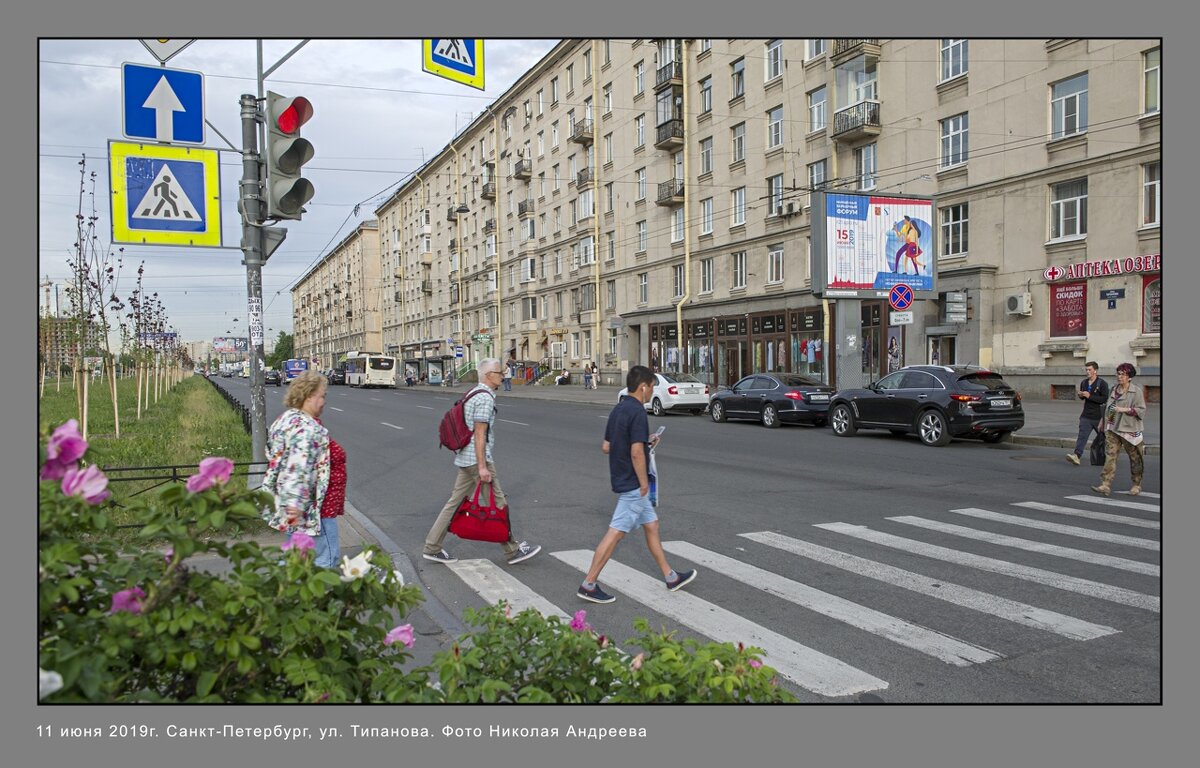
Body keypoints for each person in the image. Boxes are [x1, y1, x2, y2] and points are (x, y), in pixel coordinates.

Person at [577, 365, 697, 604]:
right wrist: (643, 482)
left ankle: (670, 576)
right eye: (652, 387)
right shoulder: (638, 413)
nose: (652, 391)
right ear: (643, 387)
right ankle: (588, 583)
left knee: (652, 525)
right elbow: (635, 453)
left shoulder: (619, 409)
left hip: (621, 477)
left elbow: (607, 446)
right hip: (633, 484)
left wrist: (645, 441)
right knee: (615, 533)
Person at [422, 358, 541, 565]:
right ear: (488, 376)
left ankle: (432, 547)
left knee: (454, 503)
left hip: (465, 458)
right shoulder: (485, 398)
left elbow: (468, 428)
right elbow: (479, 434)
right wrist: (483, 467)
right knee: (498, 502)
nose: (503, 376)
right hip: (477, 461)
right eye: (499, 373)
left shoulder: (472, 393)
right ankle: (513, 550)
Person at [261, 371, 329, 550]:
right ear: (308, 396)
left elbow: (271, 452)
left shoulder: (285, 419)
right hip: (302, 508)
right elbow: (297, 467)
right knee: (320, 558)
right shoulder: (306, 429)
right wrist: (295, 503)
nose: (324, 402)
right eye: (322, 396)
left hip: (283, 498)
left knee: (294, 554)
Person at [1092, 362, 1147, 497]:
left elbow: (1141, 410)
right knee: (1110, 457)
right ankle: (1105, 484)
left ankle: (1136, 484)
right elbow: (1108, 407)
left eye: (1123, 374)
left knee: (1135, 458)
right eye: (1118, 373)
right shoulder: (1113, 389)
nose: (1119, 376)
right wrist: (1102, 421)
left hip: (1130, 430)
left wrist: (1125, 410)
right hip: (1112, 428)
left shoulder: (1136, 391)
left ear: (1129, 377)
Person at [1067, 361, 1109, 466]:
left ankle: (1110, 456)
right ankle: (1077, 456)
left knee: (1105, 438)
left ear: (1095, 371)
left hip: (1099, 417)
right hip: (1086, 415)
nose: (1087, 372)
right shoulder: (1084, 383)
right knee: (1082, 436)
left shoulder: (1102, 383)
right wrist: (1081, 395)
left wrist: (1089, 396)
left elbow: (1104, 399)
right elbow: (1083, 398)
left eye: (1089, 370)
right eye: (1086, 370)